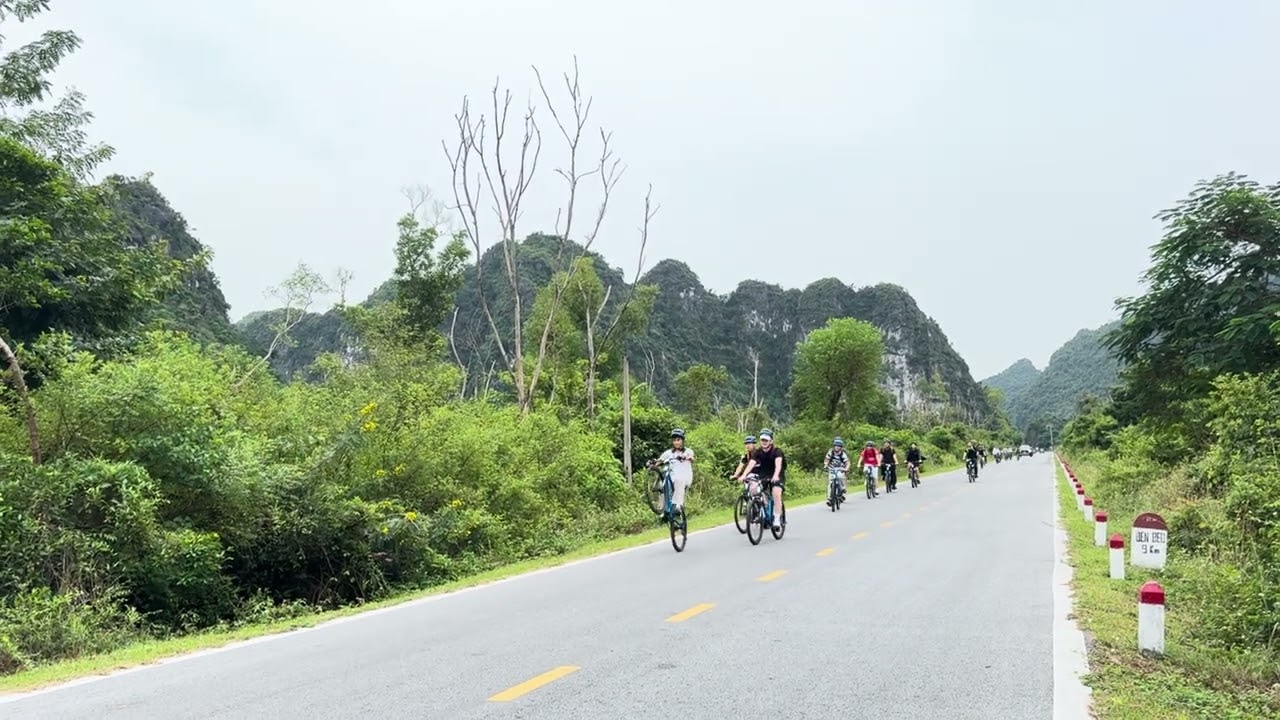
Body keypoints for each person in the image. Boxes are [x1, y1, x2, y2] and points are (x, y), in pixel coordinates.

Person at [740, 428, 786, 529]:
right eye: (762, 440)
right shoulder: (758, 452)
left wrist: (776, 475)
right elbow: (751, 464)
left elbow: (778, 465)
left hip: (777, 474)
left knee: (776, 493)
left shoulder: (777, 451)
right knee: (755, 490)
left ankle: (777, 518)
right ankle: (763, 511)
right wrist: (744, 475)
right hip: (764, 475)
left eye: (766, 440)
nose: (764, 442)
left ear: (771, 441)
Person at [651, 428, 695, 519]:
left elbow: (691, 457)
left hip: (685, 477)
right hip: (673, 477)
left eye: (678, 440)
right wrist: (653, 464)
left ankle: (678, 506)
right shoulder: (669, 453)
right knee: (663, 484)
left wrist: (685, 457)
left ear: (682, 441)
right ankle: (664, 509)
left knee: (679, 480)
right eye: (674, 440)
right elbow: (660, 460)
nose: (676, 442)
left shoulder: (687, 451)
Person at [824, 437, 851, 505]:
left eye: (838, 446)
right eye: (836, 446)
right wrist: (826, 464)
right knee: (830, 483)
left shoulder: (843, 454)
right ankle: (830, 498)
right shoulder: (831, 452)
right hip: (832, 469)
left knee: (840, 477)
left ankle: (842, 489)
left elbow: (847, 462)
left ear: (841, 447)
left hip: (840, 469)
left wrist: (846, 468)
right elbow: (826, 459)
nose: (837, 447)